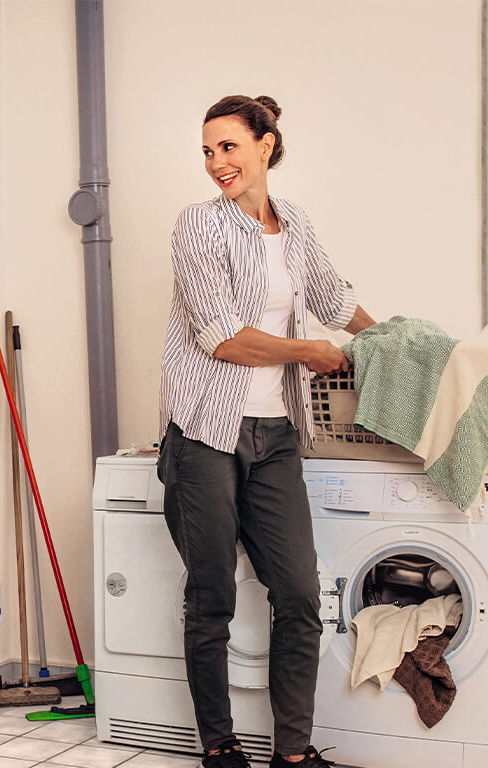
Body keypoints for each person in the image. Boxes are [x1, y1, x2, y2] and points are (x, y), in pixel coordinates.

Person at [157, 94, 376, 768]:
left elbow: (335, 301)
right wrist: (308, 351)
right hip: (205, 432)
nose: (215, 162)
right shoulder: (198, 226)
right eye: (206, 150)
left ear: (266, 145)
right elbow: (220, 338)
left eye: (228, 146)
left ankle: (293, 754)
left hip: (276, 432)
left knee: (301, 596)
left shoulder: (298, 225)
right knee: (213, 594)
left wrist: (398, 346)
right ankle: (219, 747)